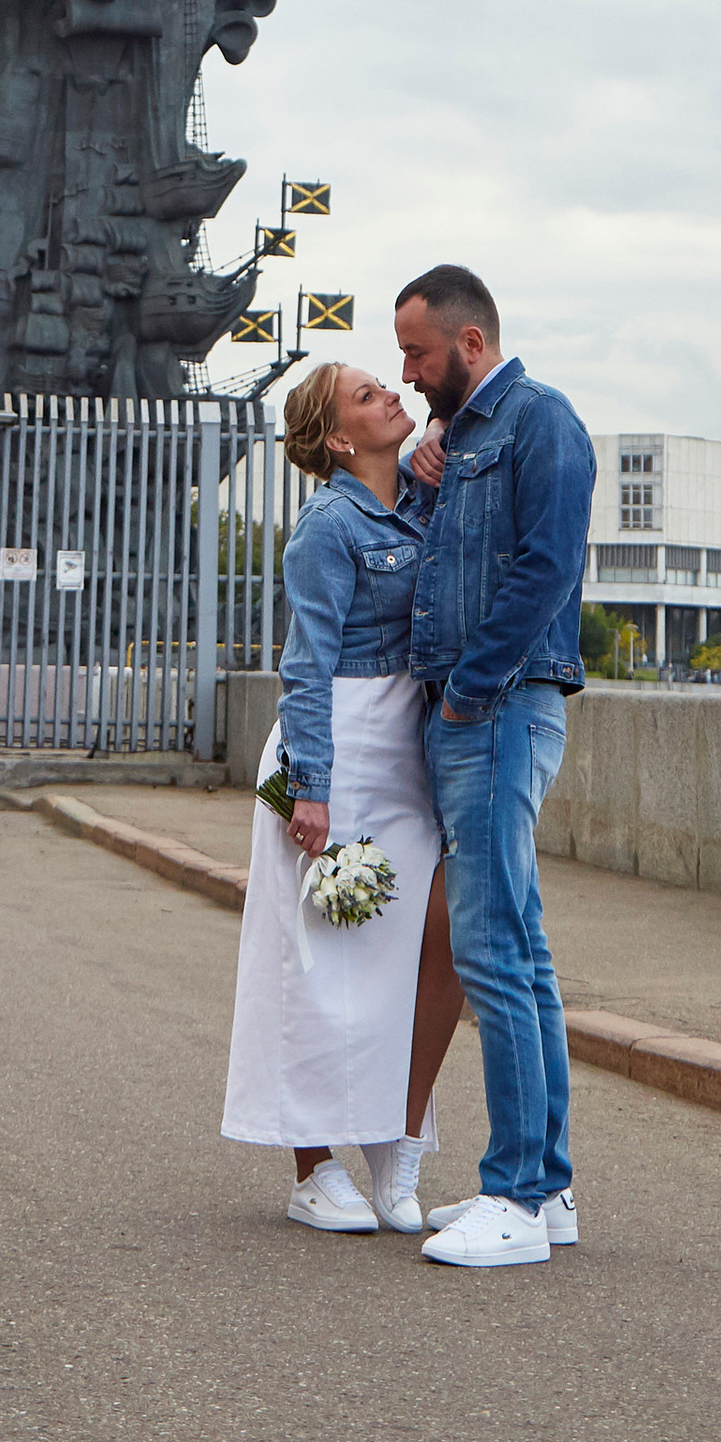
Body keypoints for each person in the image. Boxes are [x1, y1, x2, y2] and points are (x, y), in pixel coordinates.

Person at [222, 359, 464, 1233]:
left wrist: (439, 443)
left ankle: (399, 1144)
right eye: (369, 396)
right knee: (315, 957)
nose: (391, 396)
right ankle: (312, 1166)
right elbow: (305, 664)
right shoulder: (328, 523)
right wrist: (310, 790)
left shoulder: (422, 501)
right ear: (337, 438)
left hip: (408, 747)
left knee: (434, 940)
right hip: (337, 741)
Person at [397, 263, 596, 1271]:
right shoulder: (463, 438)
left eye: (418, 353)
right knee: (519, 946)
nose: (407, 371)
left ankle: (514, 1195)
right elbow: (442, 565)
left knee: (490, 949)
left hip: (500, 711)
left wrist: (470, 687)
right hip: (480, 711)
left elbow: (546, 567)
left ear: (470, 344)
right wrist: (426, 464)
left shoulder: (539, 422)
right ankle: (547, 1190)